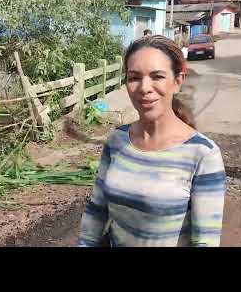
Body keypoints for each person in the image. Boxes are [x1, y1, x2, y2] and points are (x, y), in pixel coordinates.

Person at [78, 35, 226, 247]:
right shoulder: (117, 140)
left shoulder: (203, 154)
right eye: (134, 77)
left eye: (157, 76)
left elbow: (205, 242)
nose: (144, 87)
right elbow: (96, 210)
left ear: (178, 81)